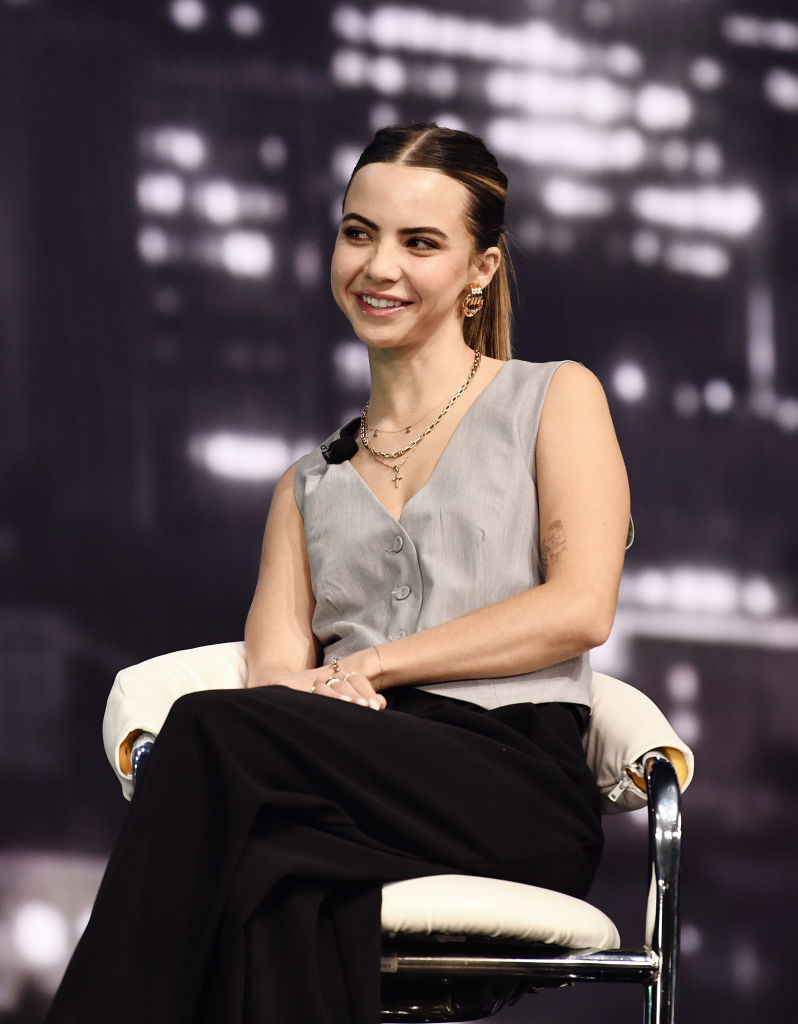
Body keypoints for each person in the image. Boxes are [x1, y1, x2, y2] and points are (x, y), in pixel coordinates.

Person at [45, 123, 631, 1024]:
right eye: (359, 232)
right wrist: (315, 694)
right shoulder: (306, 485)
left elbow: (580, 610)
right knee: (271, 882)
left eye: (420, 242)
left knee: (206, 736)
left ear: (480, 269)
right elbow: (276, 677)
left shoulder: (554, 397)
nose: (378, 265)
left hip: (512, 789)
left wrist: (374, 667)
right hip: (352, 790)